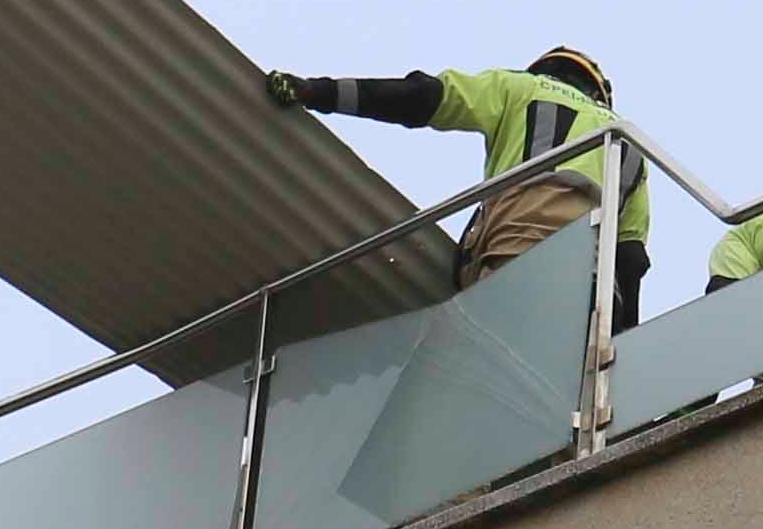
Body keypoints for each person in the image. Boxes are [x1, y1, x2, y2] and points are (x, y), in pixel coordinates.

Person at [265, 49, 649, 326]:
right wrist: (622, 350)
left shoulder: (521, 87)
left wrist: (317, 92)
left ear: (545, 70)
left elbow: (423, 98)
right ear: (598, 93)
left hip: (522, 252)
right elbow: (631, 259)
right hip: (595, 291)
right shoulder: (628, 144)